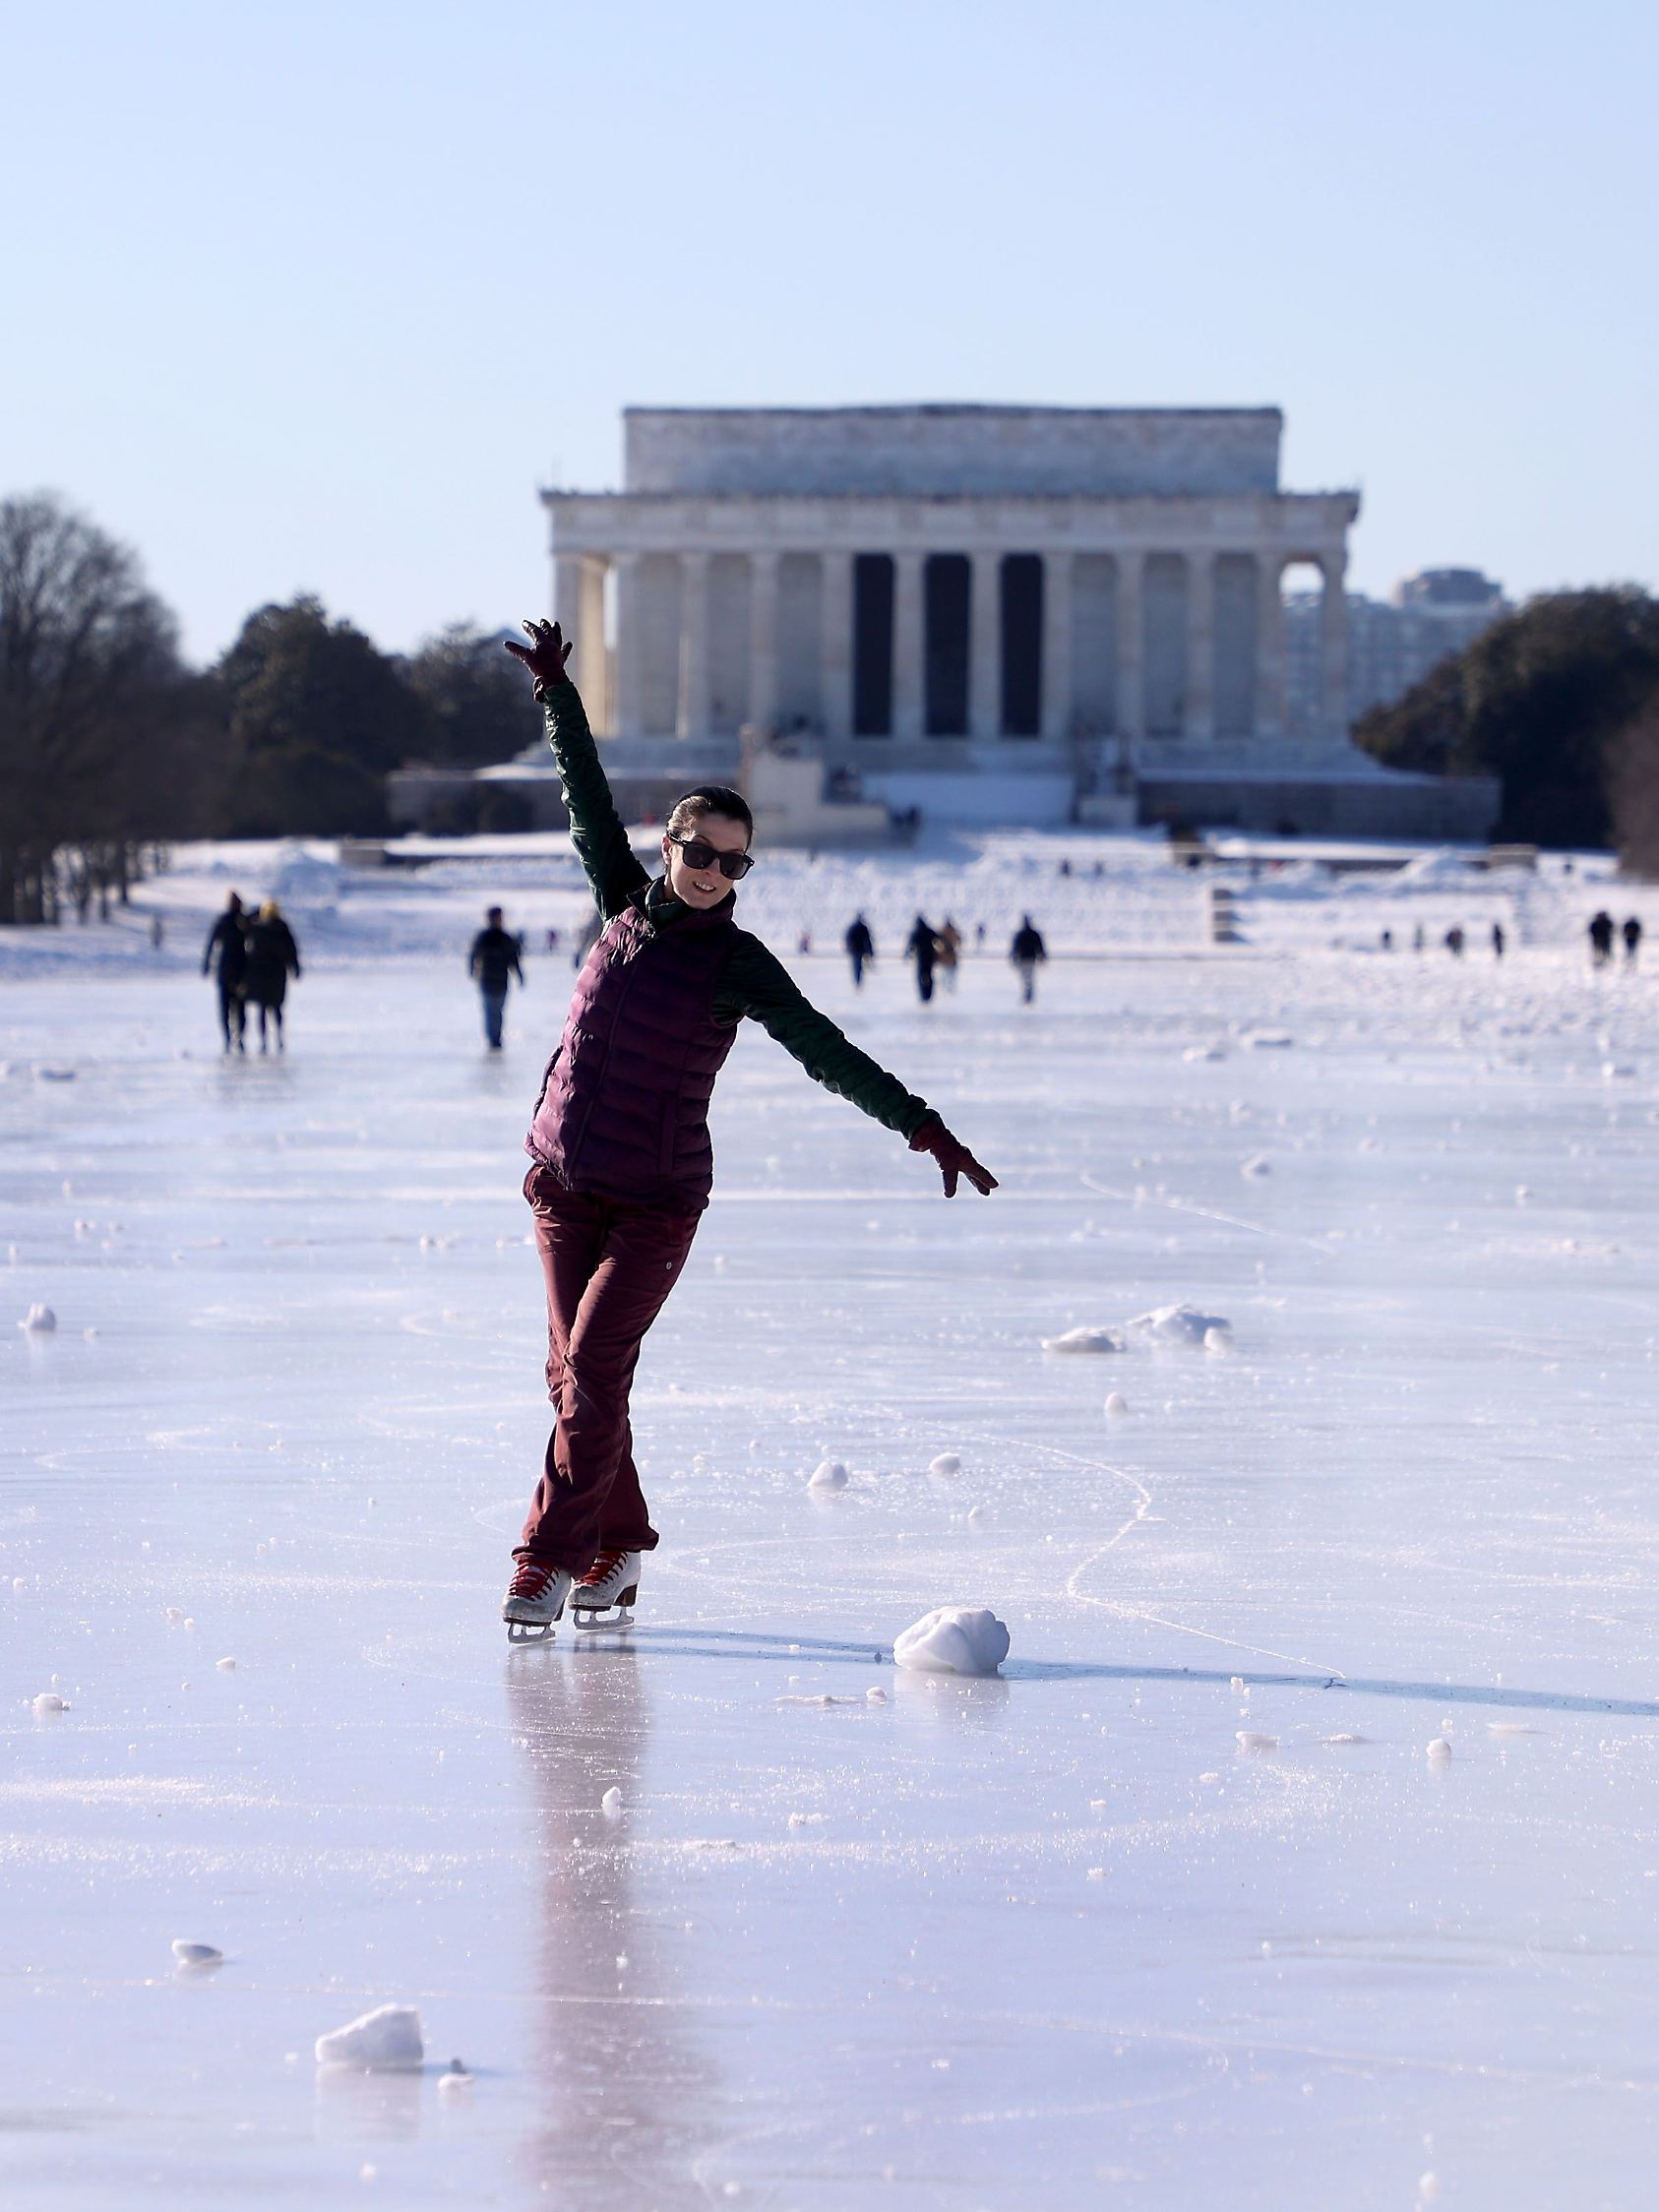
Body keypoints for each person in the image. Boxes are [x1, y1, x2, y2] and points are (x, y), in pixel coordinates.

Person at [496, 619, 996, 1642]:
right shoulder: (620, 903)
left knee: (590, 1372)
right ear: (669, 843)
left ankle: (547, 1560)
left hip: (654, 1200)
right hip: (561, 1180)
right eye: (701, 851)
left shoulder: (740, 963)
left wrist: (921, 1124)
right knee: (575, 1378)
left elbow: (824, 1048)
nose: (717, 871)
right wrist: (557, 693)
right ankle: (621, 1543)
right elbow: (587, 798)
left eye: (736, 861)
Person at [243, 900, 301, 1053]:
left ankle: (264, 1040)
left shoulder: (258, 928)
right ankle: (279, 1037)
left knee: (263, 1009)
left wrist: (255, 912)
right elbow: (292, 950)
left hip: (261, 974)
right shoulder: (282, 928)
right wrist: (294, 968)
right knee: (276, 1008)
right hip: (277, 975)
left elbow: (245, 922)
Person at [469, 905, 524, 1051]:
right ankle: (492, 1038)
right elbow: (474, 954)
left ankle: (496, 1037)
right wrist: (472, 969)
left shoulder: (505, 938)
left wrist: (519, 975)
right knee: (489, 1010)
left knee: (497, 1011)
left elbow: (513, 959)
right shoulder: (483, 937)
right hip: (487, 980)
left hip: (500, 981)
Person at [201, 891, 249, 1054]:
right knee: (240, 1008)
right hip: (241, 972)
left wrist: (206, 964)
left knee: (225, 1008)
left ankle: (228, 1037)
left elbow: (211, 943)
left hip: (224, 971)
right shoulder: (243, 921)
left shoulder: (223, 920)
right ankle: (238, 1036)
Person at [1011, 914, 1047, 1004]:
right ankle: (1029, 996)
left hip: (1023, 959)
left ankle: (1027, 996)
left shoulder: (1020, 934)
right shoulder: (1033, 934)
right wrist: (1042, 956)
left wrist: (1014, 957)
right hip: (1031, 959)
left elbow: (1015, 948)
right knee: (1029, 978)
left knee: (1025, 978)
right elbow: (1040, 946)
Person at [905, 915, 940, 1003]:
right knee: (928, 975)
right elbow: (938, 938)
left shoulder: (916, 932)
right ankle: (928, 994)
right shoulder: (929, 931)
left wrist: (906, 955)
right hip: (929, 958)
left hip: (920, 959)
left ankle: (923, 995)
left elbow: (910, 945)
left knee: (920, 976)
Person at [844, 913, 875, 988]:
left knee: (856, 966)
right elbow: (868, 941)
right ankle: (858, 981)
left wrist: (848, 948)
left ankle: (857, 981)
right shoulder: (863, 928)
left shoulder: (852, 927)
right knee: (859, 966)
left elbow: (848, 939)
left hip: (854, 951)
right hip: (860, 950)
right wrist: (870, 952)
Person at [936, 916, 962, 994]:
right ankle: (950, 989)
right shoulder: (954, 931)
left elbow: (936, 943)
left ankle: (944, 989)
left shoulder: (941, 932)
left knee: (943, 975)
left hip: (943, 958)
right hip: (952, 958)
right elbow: (959, 940)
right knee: (951, 975)